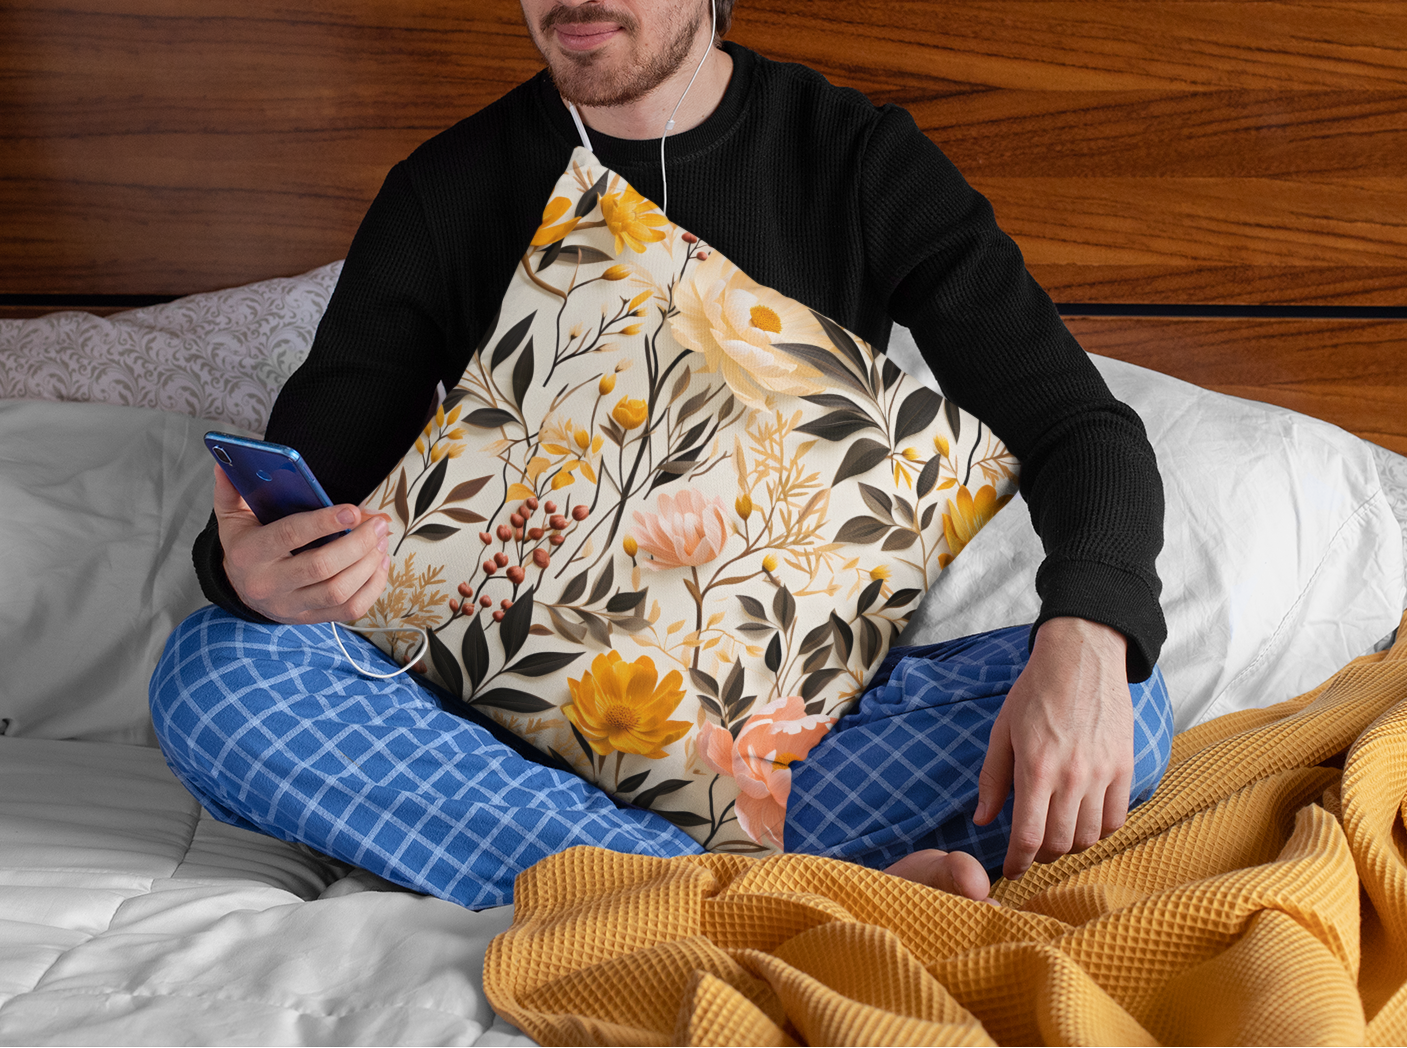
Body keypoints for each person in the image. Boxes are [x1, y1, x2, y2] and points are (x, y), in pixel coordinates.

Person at [151, 0, 1170, 909]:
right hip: (483, 739)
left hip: (785, 747)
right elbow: (293, 504)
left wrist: (1084, 635)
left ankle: (644, 886)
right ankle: (769, 900)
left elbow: (1080, 429)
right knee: (213, 674)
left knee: (1128, 701)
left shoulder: (855, 159)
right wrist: (248, 569)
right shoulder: (447, 189)